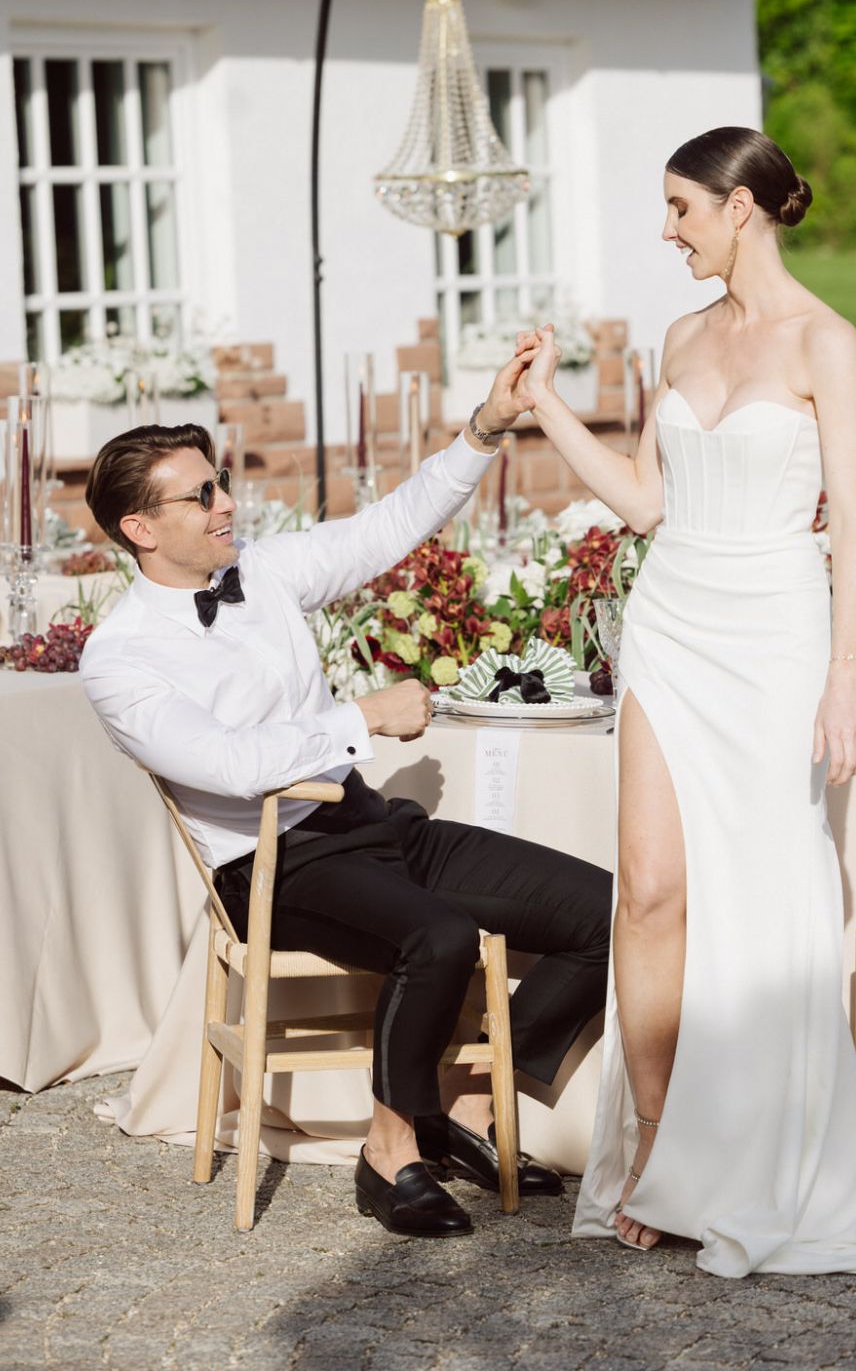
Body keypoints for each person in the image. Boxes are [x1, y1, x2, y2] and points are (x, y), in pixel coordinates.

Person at [517, 126, 856, 1274]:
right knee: (647, 891)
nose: (666, 231)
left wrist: (845, 677)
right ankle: (652, 1149)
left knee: (767, 895)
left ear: (738, 208)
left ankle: (746, 1157)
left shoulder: (824, 340)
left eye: (679, 209)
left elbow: (851, 519)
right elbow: (646, 501)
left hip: (777, 634)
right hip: (671, 623)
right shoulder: (679, 335)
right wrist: (546, 405)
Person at [79, 351, 611, 1240]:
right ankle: (389, 1152)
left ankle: (465, 1104)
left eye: (221, 486)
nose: (227, 506)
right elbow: (230, 763)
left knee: (607, 913)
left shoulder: (267, 572)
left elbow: (390, 526)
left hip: (367, 825)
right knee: (438, 938)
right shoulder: (121, 655)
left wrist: (487, 425)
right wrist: (359, 715)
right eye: (201, 497)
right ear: (139, 528)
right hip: (269, 862)